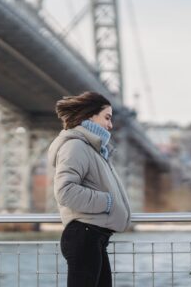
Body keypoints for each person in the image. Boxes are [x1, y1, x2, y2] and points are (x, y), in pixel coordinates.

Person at [48, 91, 131, 287]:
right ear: (89, 116)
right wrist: (108, 201)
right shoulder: (76, 146)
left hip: (94, 238)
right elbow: (65, 191)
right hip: (84, 236)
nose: (110, 125)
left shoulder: (93, 149)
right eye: (107, 117)